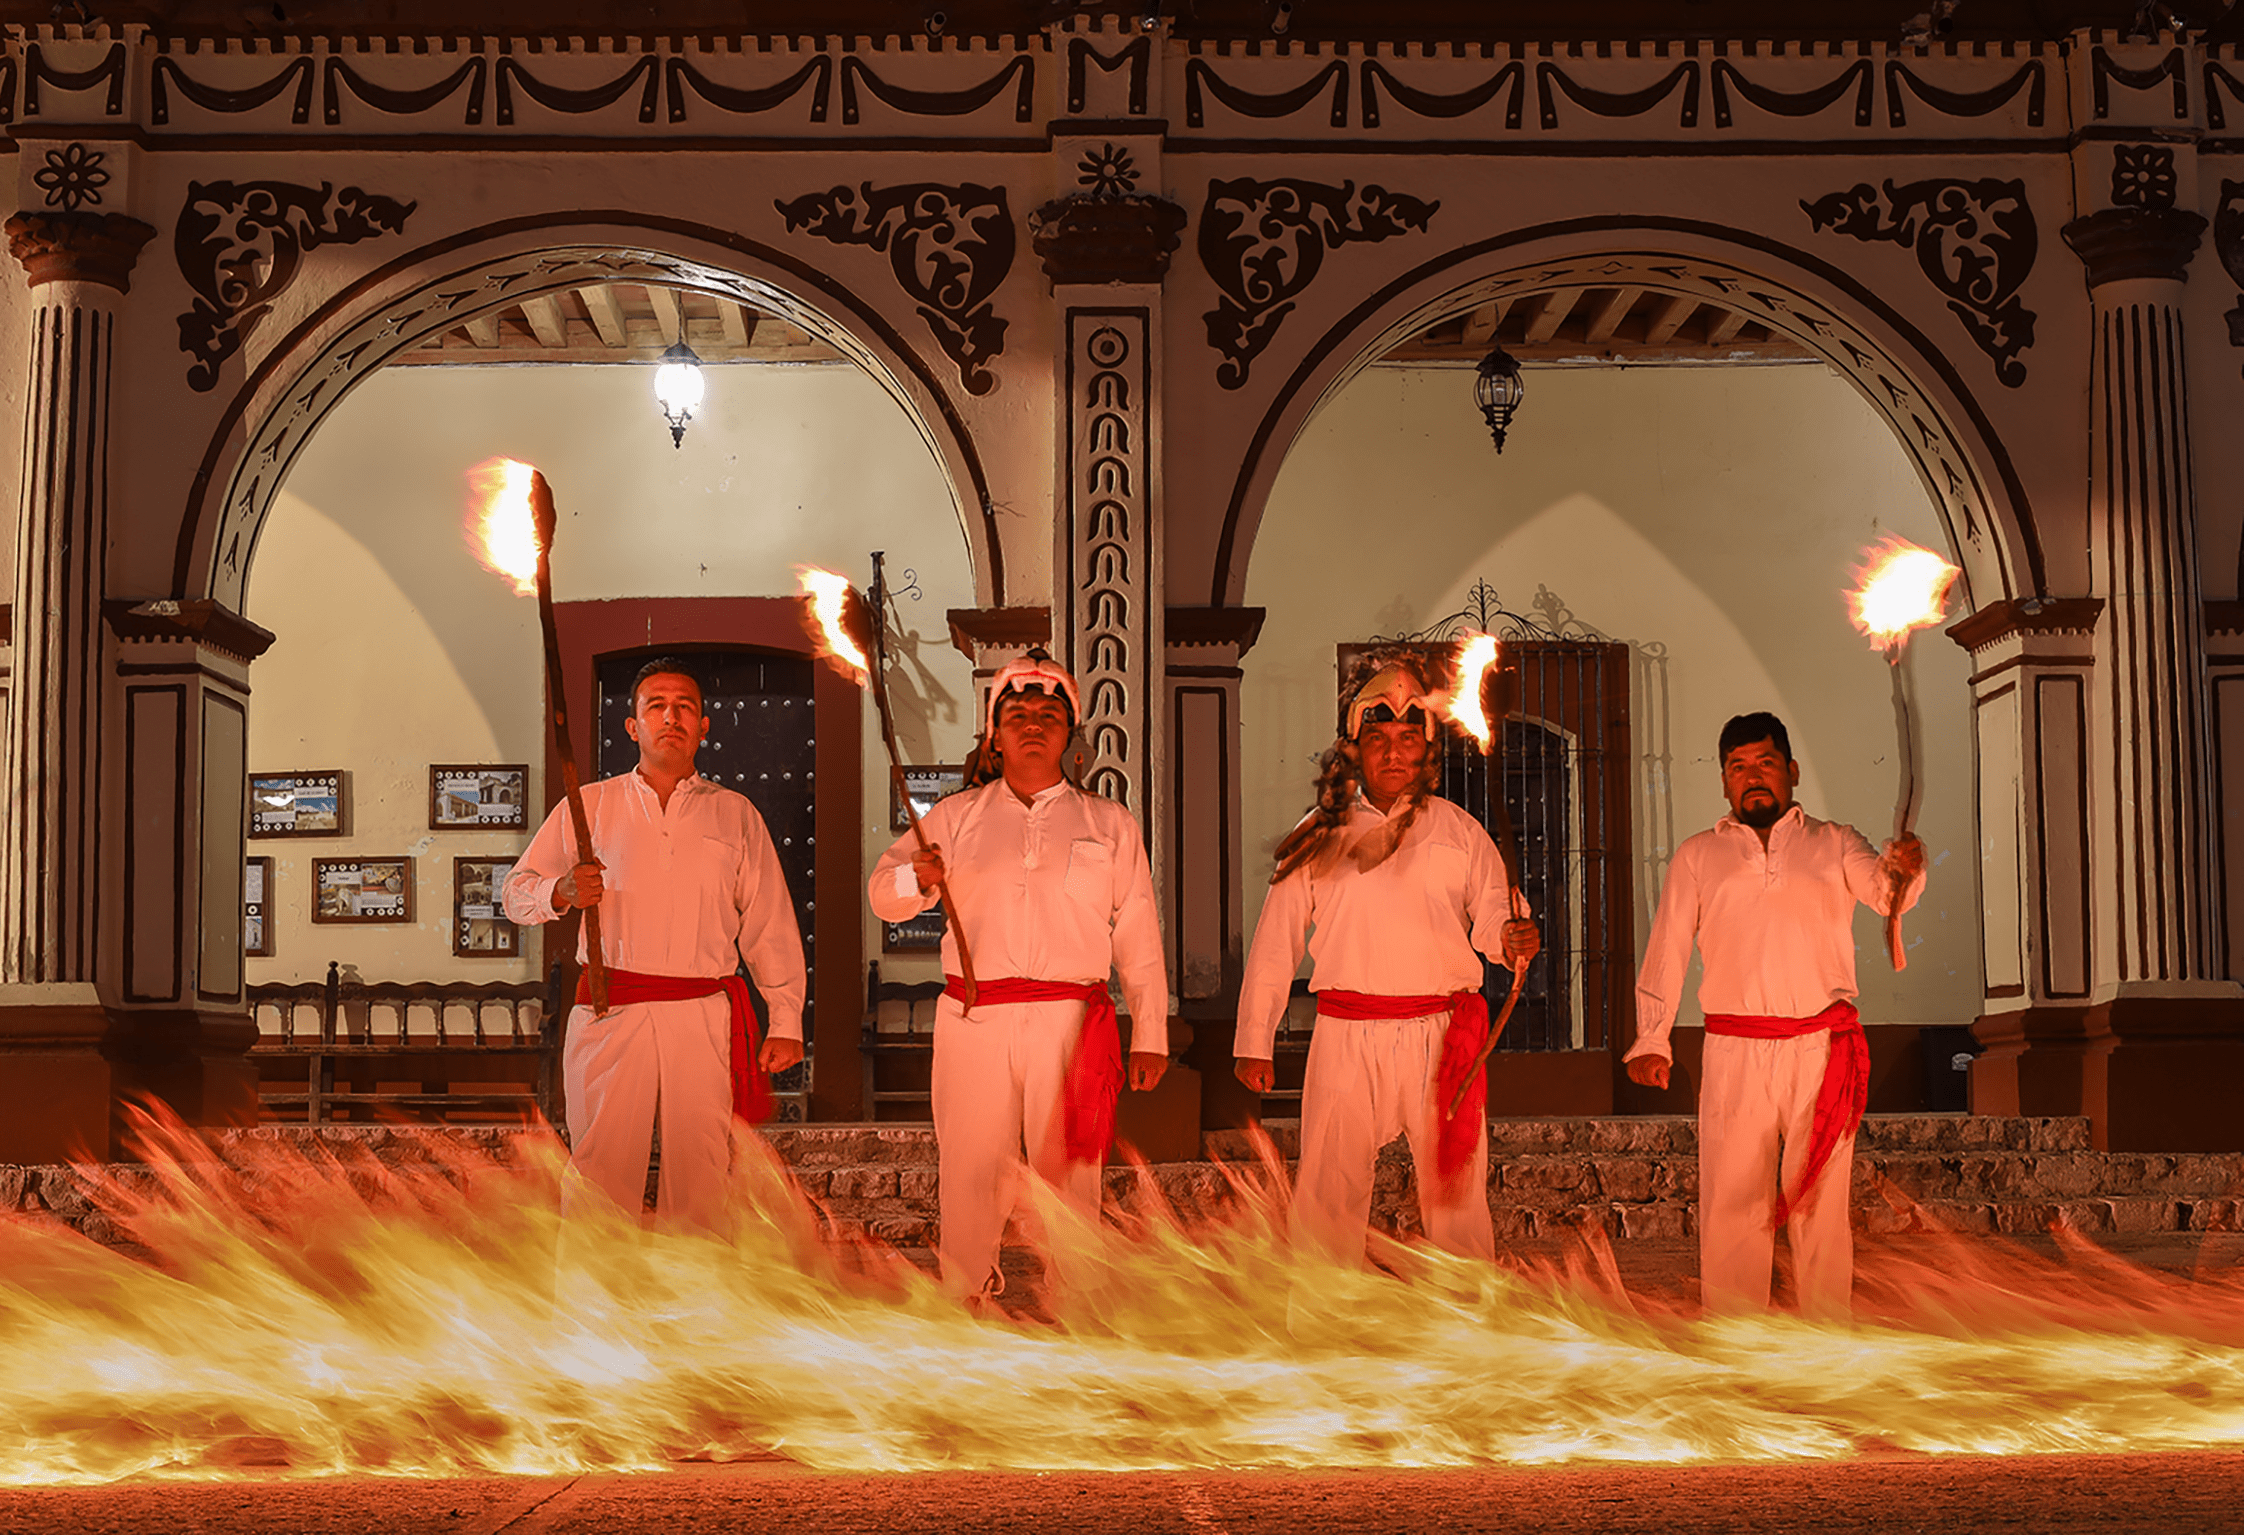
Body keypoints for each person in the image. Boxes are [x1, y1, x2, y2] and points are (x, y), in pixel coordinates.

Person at [868, 650, 1170, 1302]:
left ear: (1071, 733)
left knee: (1071, 1174)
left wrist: (1150, 1033)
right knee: (971, 1169)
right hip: (975, 1016)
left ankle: (1079, 1304)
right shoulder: (954, 817)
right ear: (995, 735)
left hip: (1071, 1021)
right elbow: (883, 896)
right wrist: (916, 877)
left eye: (1049, 715)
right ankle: (964, 1299)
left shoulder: (1109, 823)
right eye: (1018, 715)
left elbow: (1139, 935)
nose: (1034, 725)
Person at [1234, 653, 1540, 1265]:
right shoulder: (1318, 833)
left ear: (1427, 752)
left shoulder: (1461, 832)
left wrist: (1511, 938)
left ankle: (1468, 1312)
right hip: (1347, 1034)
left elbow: (1492, 917)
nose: (1393, 754)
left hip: (1440, 1035)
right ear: (1355, 749)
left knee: (1456, 1192)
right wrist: (1254, 1039)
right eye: (1378, 740)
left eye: (1407, 740)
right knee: (1328, 1190)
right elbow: (1276, 940)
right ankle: (1323, 1314)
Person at [1624, 710, 1927, 1317]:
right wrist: (1652, 1037)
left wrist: (1905, 867)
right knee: (1733, 1201)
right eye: (1737, 767)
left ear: (1791, 770)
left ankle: (1825, 1333)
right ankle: (1736, 1334)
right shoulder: (1698, 855)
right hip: (1734, 1049)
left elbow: (1884, 893)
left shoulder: (1835, 841)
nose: (1752, 776)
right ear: (1723, 782)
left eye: (1765, 763)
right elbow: (1668, 946)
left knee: (1820, 1203)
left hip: (1820, 1051)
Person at [503, 657, 806, 1230]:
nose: (672, 717)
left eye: (685, 707)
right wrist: (560, 891)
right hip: (611, 1009)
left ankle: (695, 1286)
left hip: (702, 1013)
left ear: (704, 726)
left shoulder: (735, 814)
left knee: (703, 1170)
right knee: (600, 1167)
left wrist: (786, 1017)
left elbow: (769, 922)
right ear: (633, 726)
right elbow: (516, 894)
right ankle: (594, 1285)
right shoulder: (589, 807)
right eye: (656, 706)